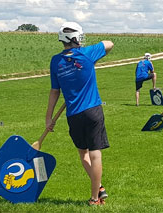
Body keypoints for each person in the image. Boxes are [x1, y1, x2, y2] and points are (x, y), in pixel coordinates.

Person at [47, 22, 114, 205]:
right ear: (75, 38)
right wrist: (93, 56)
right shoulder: (87, 54)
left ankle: (98, 188)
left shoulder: (55, 61)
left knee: (83, 154)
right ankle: (95, 197)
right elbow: (109, 44)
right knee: (95, 154)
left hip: (73, 115)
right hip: (93, 110)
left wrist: (49, 118)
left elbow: (55, 91)